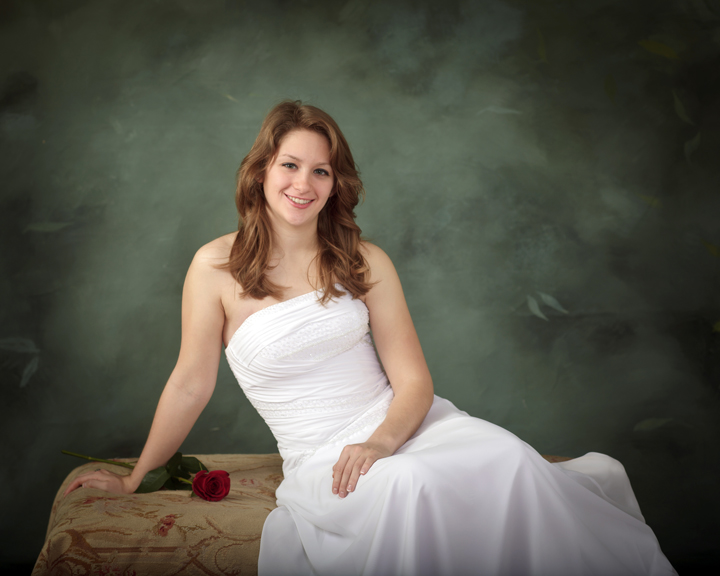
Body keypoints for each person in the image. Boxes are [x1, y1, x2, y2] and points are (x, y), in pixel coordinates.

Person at [65, 101, 677, 575]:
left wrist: (382, 442)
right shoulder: (213, 267)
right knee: (409, 486)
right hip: (321, 455)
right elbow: (190, 383)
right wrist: (135, 477)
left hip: (407, 426)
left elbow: (414, 382)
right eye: (290, 165)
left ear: (335, 184)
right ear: (261, 171)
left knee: (509, 458)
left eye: (321, 170)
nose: (303, 183)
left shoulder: (365, 261)